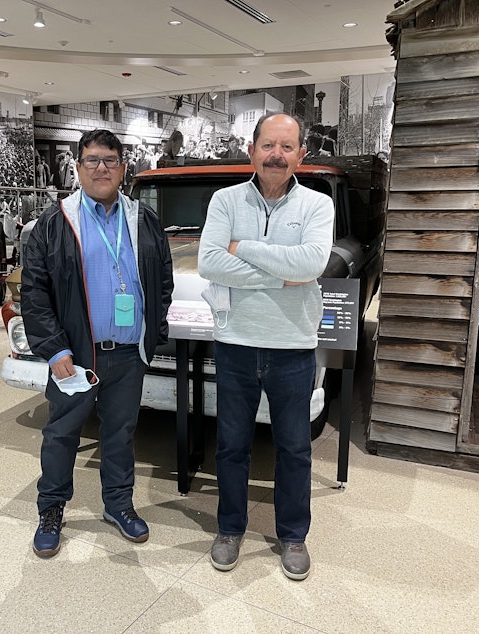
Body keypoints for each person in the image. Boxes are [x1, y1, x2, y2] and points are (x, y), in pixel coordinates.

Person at [21, 129, 174, 558]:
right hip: (75, 356)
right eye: (92, 160)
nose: (101, 167)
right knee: (61, 434)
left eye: (110, 159)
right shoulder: (54, 222)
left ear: (123, 168)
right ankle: (51, 508)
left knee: (121, 435)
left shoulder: (143, 220)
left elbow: (163, 280)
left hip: (127, 355)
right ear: (78, 168)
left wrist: (152, 335)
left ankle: (119, 505)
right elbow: (34, 292)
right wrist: (54, 349)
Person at [197, 112, 334, 581]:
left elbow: (313, 263)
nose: (277, 155)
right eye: (268, 146)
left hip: (293, 346)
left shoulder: (318, 206)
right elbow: (210, 263)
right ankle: (230, 528)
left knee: (294, 447)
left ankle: (293, 535)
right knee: (231, 445)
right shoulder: (224, 199)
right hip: (235, 344)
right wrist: (285, 274)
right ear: (252, 150)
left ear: (301, 154)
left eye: (287, 146)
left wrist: (244, 247)